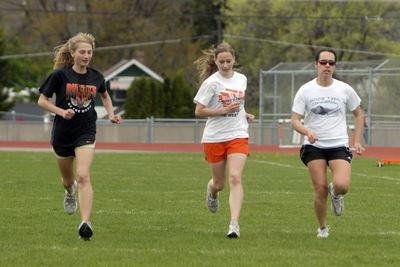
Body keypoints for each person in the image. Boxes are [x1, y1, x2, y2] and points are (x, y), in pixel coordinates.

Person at [37, 32, 122, 240]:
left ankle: (85, 222)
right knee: (68, 181)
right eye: (82, 52)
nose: (86, 55)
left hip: (86, 131)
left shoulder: (96, 77)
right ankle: (69, 193)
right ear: (73, 53)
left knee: (83, 175)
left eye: (89, 52)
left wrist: (111, 114)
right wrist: (61, 112)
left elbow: (104, 95)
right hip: (62, 135)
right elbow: (42, 101)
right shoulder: (60, 76)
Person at [291, 48, 365, 238]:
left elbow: (358, 114)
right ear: (316, 64)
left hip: (339, 144)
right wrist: (307, 131)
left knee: (342, 185)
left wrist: (357, 140)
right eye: (323, 62)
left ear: (334, 66)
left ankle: (337, 194)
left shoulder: (344, 89)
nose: (327, 66)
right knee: (320, 188)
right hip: (314, 146)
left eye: (330, 63)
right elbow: (295, 120)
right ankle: (323, 228)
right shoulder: (305, 90)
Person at [193, 42, 255, 238]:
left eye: (229, 61)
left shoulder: (242, 79)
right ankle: (212, 191)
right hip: (215, 137)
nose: (226, 65)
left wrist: (246, 114)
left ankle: (234, 224)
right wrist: (222, 111)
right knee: (219, 183)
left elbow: (239, 104)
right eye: (222, 62)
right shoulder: (211, 83)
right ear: (215, 62)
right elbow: (199, 111)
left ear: (234, 60)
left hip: (238, 134)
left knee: (235, 177)